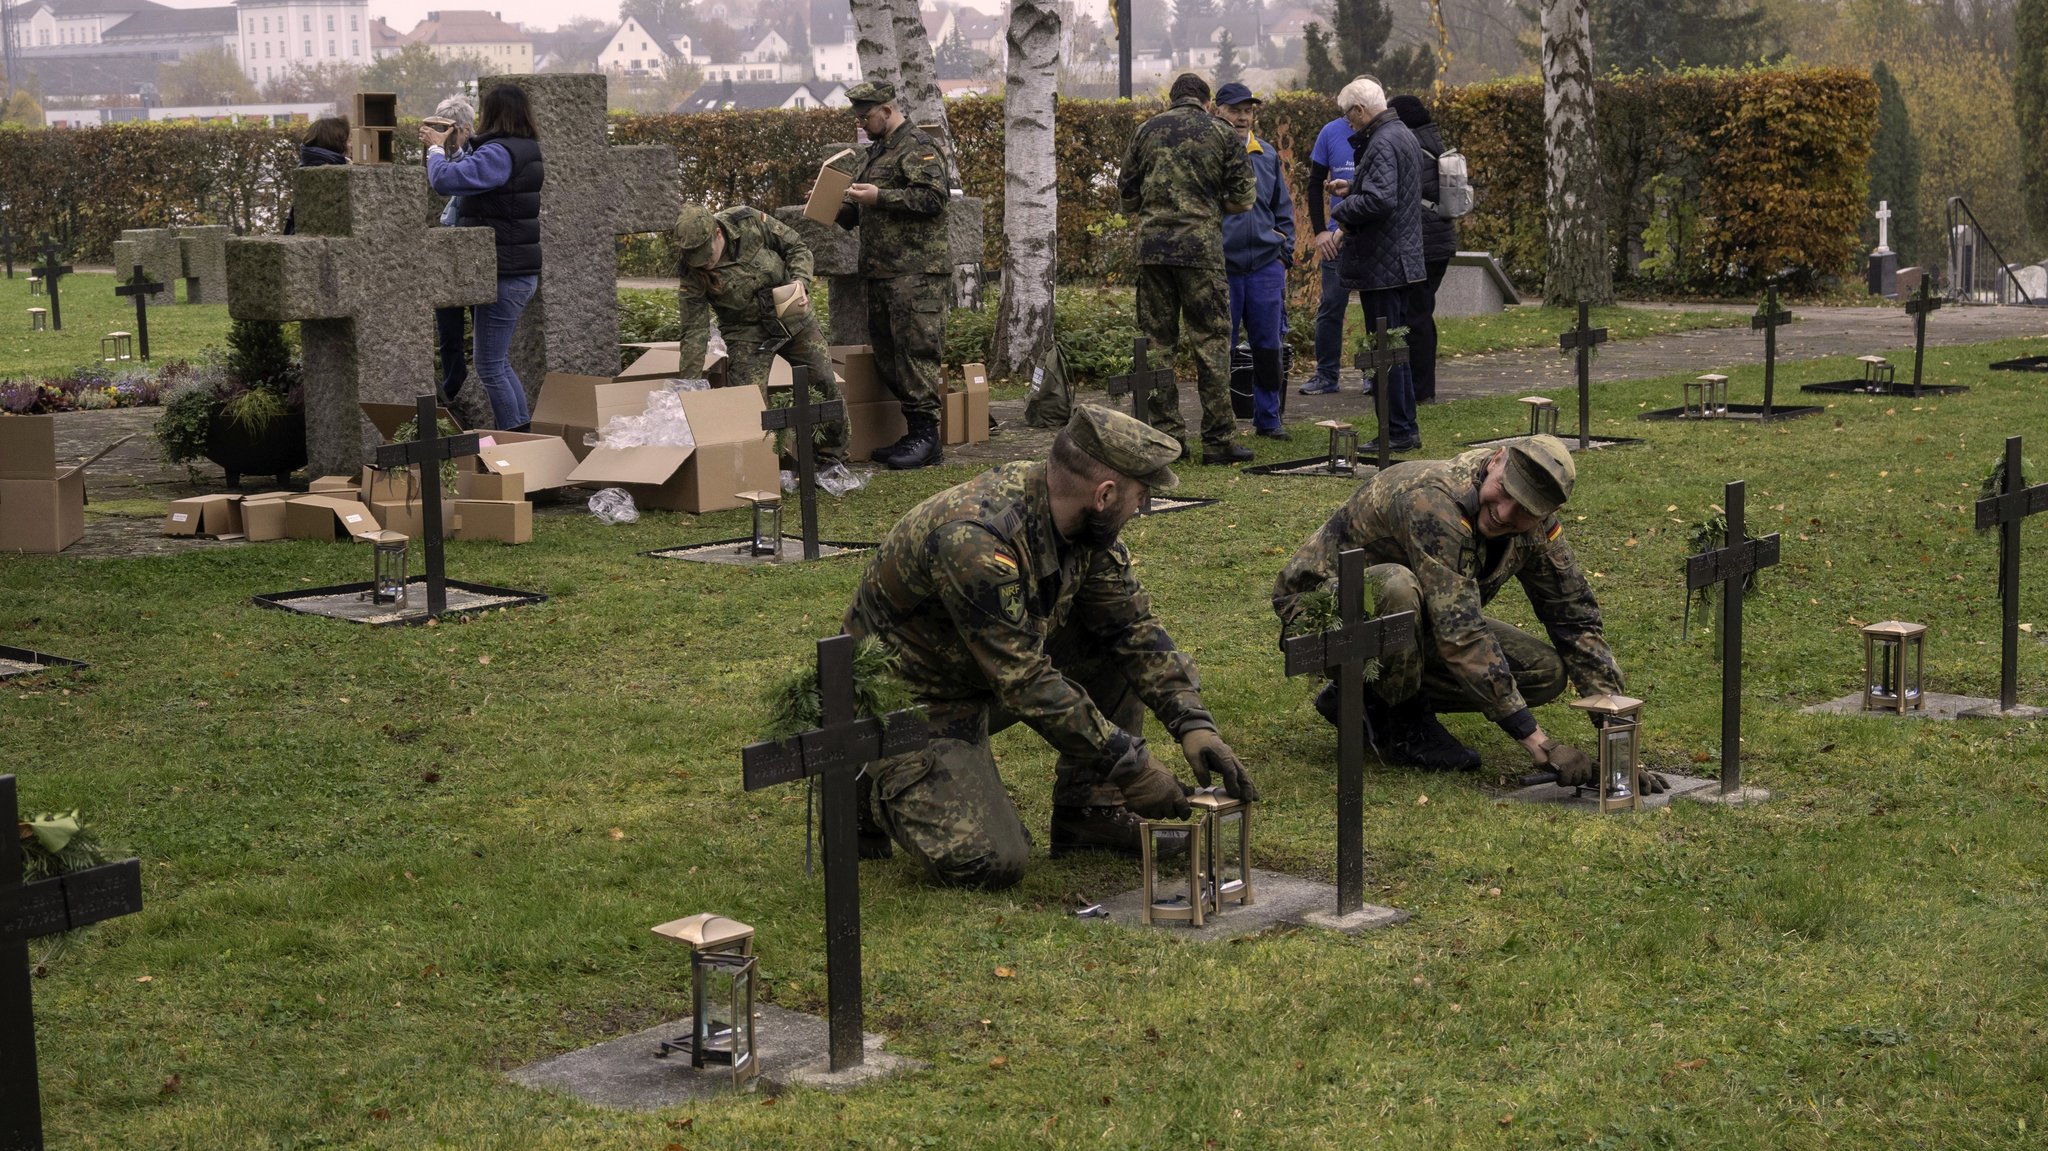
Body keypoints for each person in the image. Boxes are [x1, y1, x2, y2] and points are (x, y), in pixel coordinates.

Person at [844, 405, 1260, 889]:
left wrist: (1194, 724)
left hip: (984, 674)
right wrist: (1134, 766)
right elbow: (1025, 682)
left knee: (1108, 639)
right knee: (989, 862)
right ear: (1105, 494)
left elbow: (1132, 628)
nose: (1139, 509)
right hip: (910, 699)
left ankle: (1091, 812)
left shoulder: (1081, 526)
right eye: (1139, 497)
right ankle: (864, 774)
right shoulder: (975, 541)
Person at [1271, 436, 1664, 792]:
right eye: (1503, 492)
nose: (1504, 513)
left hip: (1425, 619)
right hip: (1322, 614)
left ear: (1546, 513)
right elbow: (1461, 633)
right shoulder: (1432, 500)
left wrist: (1619, 738)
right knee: (1395, 586)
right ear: (1496, 461)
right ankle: (1402, 722)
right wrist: (1539, 742)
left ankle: (1360, 698)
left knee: (1545, 672)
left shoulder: (1538, 529)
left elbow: (1574, 618)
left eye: (1525, 510)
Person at [1116, 72, 1256, 465]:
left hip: (1153, 253)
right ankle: (1219, 439)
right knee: (1211, 343)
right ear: (1208, 102)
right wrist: (1207, 208)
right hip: (1201, 252)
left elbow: (1127, 197)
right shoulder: (1223, 133)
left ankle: (1165, 437)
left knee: (1157, 344)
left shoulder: (1145, 132)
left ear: (1172, 98)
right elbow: (1244, 200)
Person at [673, 202, 848, 468]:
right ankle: (763, 467)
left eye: (707, 257)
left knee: (822, 380)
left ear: (717, 233)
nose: (705, 265)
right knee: (747, 400)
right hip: (745, 331)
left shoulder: (748, 221)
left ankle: (831, 457)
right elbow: (694, 330)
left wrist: (800, 281)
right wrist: (688, 385)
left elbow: (797, 247)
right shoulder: (690, 270)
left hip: (789, 311)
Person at [832, 80, 949, 470]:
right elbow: (864, 209)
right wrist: (835, 206)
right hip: (882, 272)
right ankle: (913, 432)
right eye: (859, 118)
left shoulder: (917, 146)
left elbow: (933, 199)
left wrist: (879, 197)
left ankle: (927, 437)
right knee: (889, 356)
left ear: (887, 109)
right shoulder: (877, 152)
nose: (863, 124)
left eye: (866, 116)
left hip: (916, 272)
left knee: (915, 354)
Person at [423, 84, 544, 432]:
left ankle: (517, 442)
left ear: (496, 112)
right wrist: (455, 148)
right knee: (498, 364)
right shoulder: (521, 149)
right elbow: (476, 179)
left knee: (490, 366)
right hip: (516, 271)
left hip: (506, 274)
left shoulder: (500, 153)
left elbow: (445, 181)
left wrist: (434, 149)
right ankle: (524, 436)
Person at [1326, 76, 1424, 451]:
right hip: (1400, 257)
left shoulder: (1381, 141)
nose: (1349, 124)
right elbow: (1392, 191)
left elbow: (1381, 201)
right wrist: (1352, 188)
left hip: (1383, 263)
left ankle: (1396, 431)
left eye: (1349, 117)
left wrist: (1344, 210)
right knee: (1395, 347)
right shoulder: (1401, 134)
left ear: (1360, 110)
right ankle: (1405, 427)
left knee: (1385, 350)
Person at [1214, 82, 1296, 441]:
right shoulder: (1208, 154)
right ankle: (1220, 425)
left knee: (1268, 348)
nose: (1243, 116)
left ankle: (1269, 419)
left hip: (1265, 265)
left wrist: (1283, 253)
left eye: (1248, 110)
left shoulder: (1265, 153)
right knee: (1221, 349)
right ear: (1217, 111)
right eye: (1235, 109)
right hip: (1224, 266)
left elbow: (1283, 208)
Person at [1390, 94, 1458, 405]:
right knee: (1423, 312)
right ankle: (1422, 385)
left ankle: (1420, 389)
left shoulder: (1410, 146)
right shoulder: (1435, 141)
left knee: (1415, 315)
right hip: (1440, 240)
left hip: (1422, 241)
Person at [1300, 87, 1360, 396]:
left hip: (1373, 237)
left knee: (1380, 308)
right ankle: (1326, 375)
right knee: (1331, 306)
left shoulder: (1385, 133)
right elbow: (1314, 184)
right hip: (1336, 239)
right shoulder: (1330, 132)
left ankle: (1374, 375)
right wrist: (1320, 230)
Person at [429, 94, 477, 405]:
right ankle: (453, 387)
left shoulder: (481, 153)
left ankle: (475, 386)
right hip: (447, 248)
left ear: (466, 128)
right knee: (448, 332)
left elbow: (453, 180)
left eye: (450, 129)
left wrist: (441, 150)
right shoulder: (435, 157)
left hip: (473, 250)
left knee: (481, 323)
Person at [283, 116, 350, 236]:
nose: (349, 146)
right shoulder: (327, 171)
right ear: (335, 142)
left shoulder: (309, 163)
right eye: (346, 141)